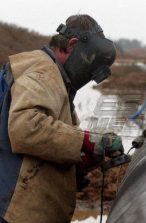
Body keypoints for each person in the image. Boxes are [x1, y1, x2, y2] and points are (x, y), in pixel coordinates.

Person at [0, 14, 123, 223]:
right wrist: (88, 140)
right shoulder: (43, 72)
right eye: (89, 66)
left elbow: (49, 145)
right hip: (13, 210)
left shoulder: (58, 81)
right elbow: (25, 126)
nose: (87, 76)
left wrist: (84, 158)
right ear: (73, 44)